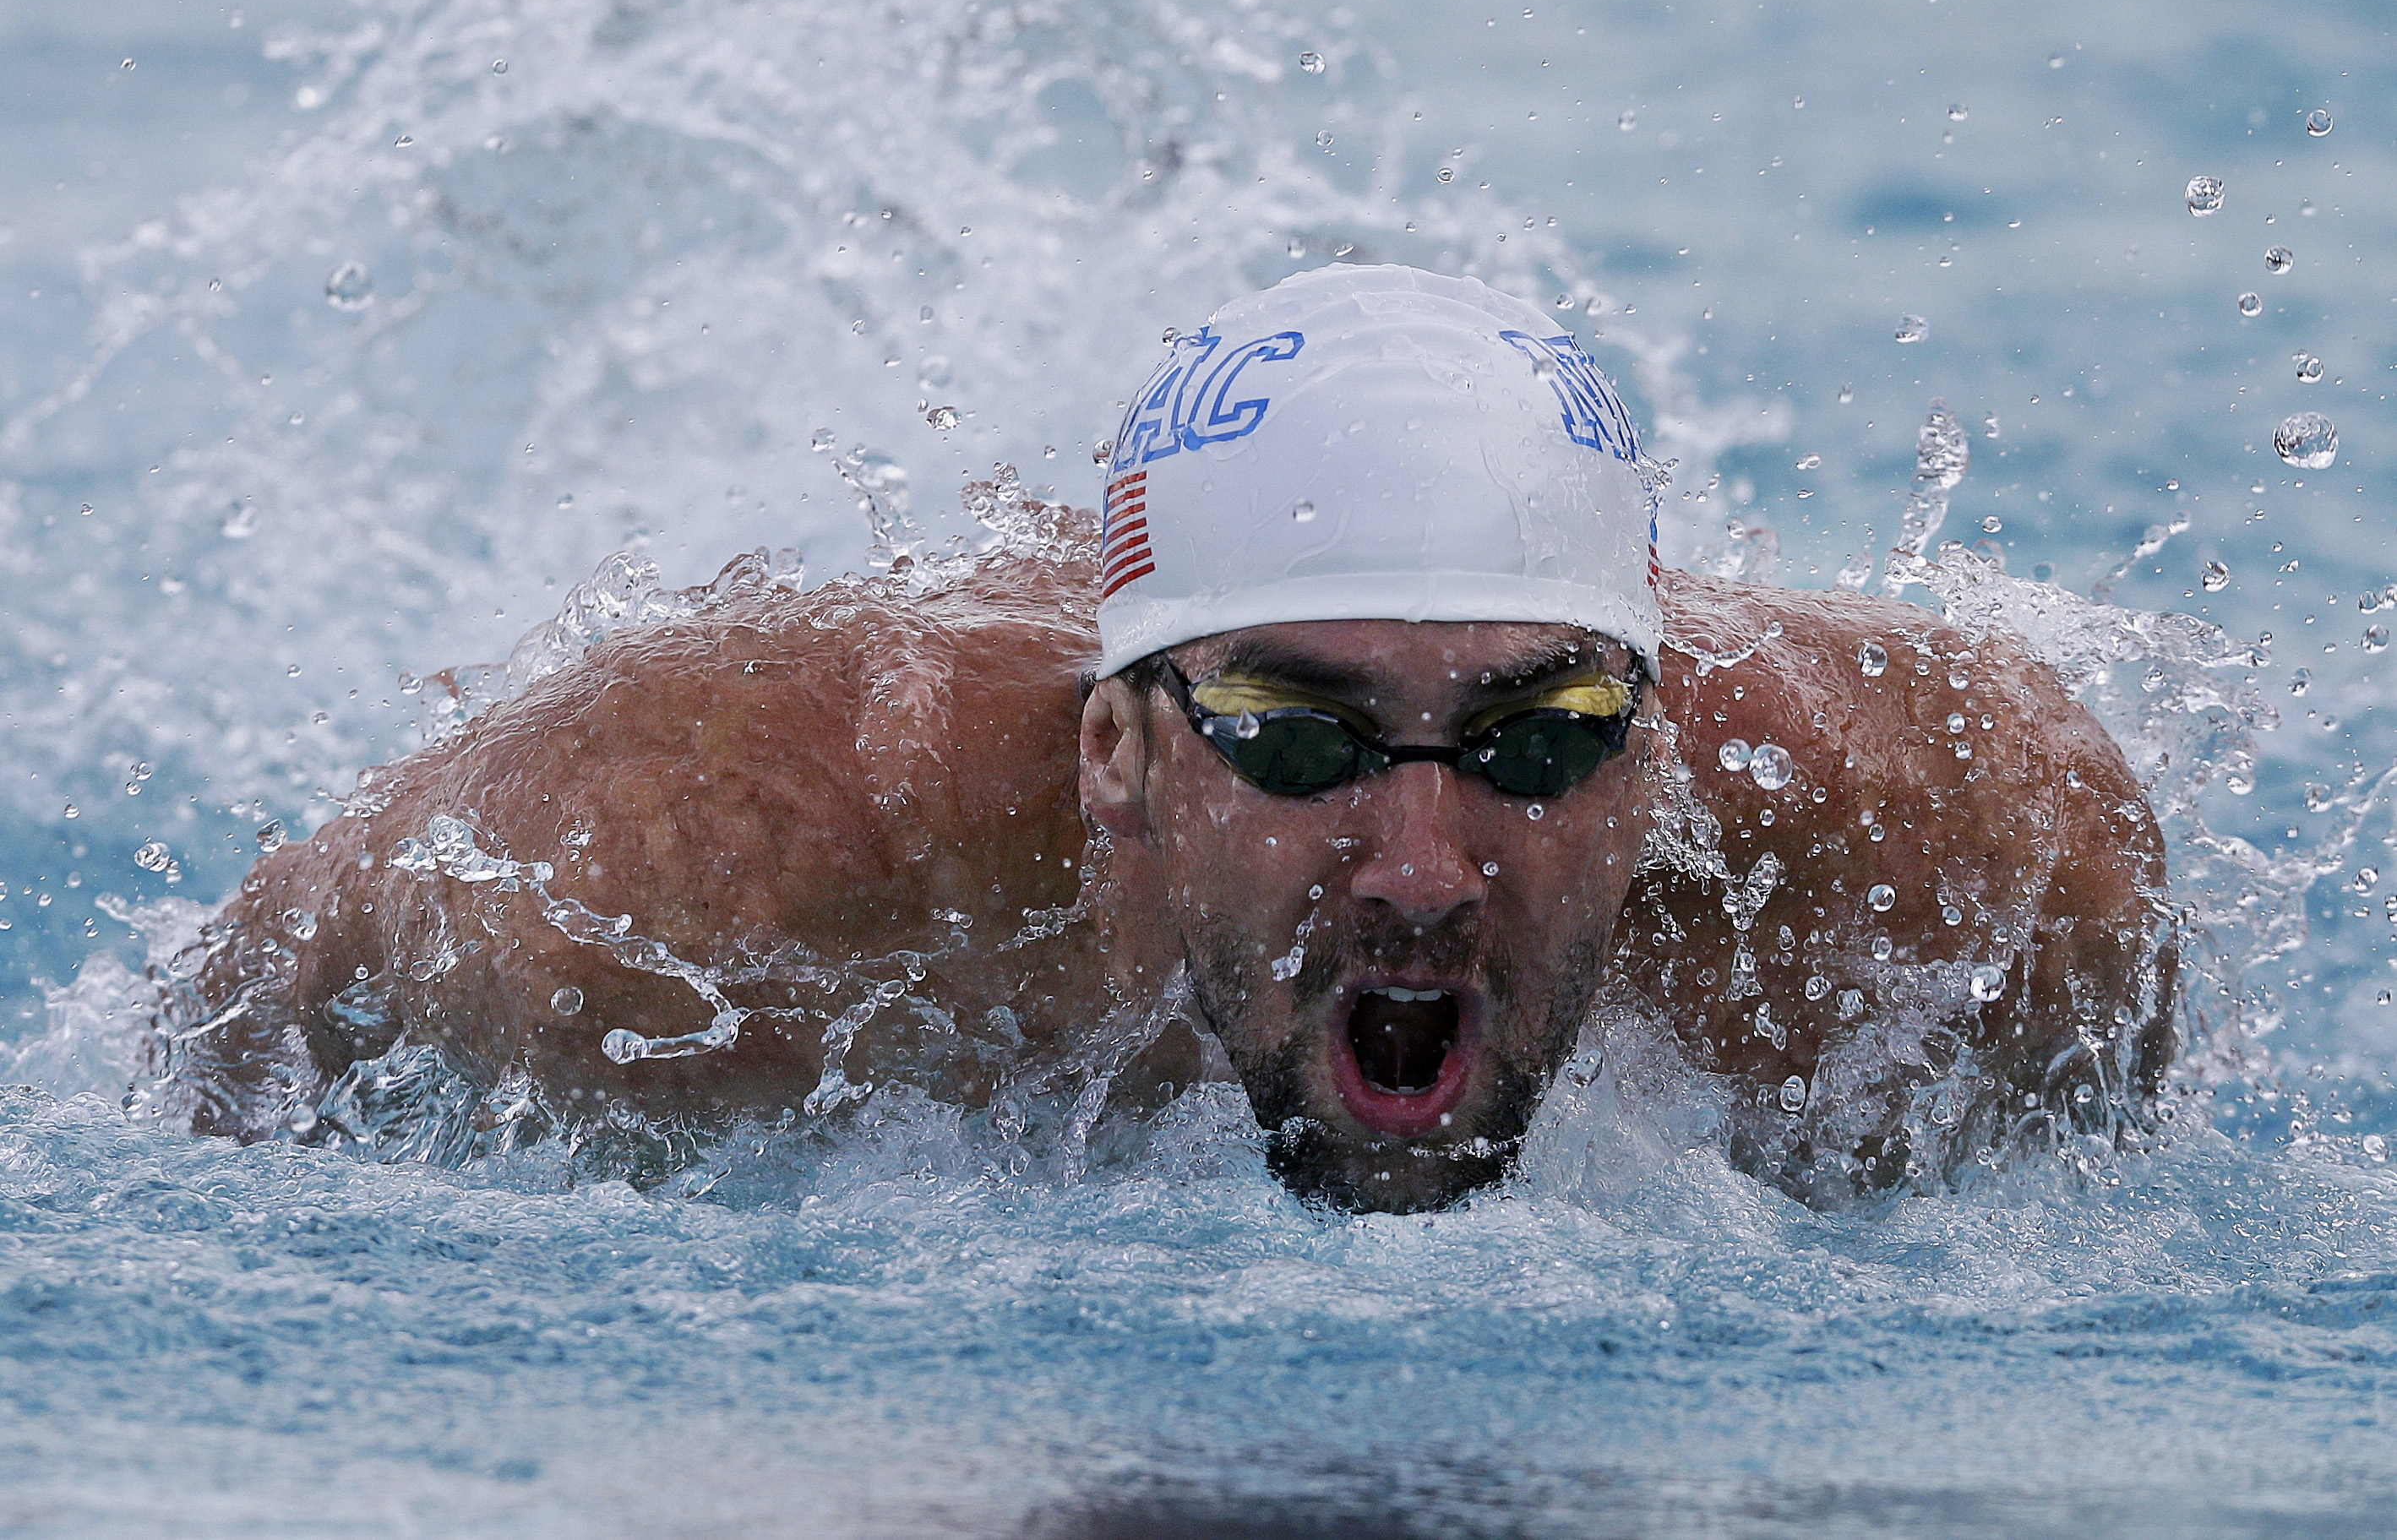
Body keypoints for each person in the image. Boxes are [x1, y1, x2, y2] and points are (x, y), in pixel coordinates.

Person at [155, 265, 2172, 1211]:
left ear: (1651, 750)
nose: (1422, 860)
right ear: (1120, 757)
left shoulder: (1984, 875)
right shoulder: (695, 876)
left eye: (1536, 739)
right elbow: (235, 1019)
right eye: (1302, 741)